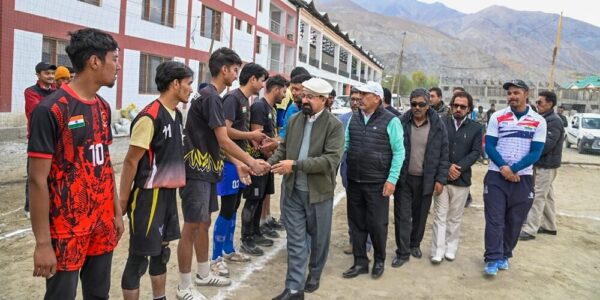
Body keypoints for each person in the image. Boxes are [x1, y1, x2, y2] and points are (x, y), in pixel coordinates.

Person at [28, 28, 123, 300]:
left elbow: (103, 164)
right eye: (114, 59)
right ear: (94, 61)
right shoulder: (51, 110)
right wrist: (43, 243)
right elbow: (37, 180)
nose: (117, 66)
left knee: (98, 294)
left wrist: (116, 212)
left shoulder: (103, 107)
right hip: (67, 229)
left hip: (102, 224)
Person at [177, 48, 270, 299]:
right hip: (196, 170)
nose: (236, 74)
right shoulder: (211, 97)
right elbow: (225, 139)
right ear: (224, 69)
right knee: (192, 227)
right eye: (235, 70)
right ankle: (184, 286)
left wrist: (238, 163)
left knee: (204, 223)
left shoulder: (213, 96)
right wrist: (250, 161)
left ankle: (204, 272)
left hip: (209, 170)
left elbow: (218, 143)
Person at [120, 61, 193, 300]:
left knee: (162, 253)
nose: (190, 89)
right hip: (147, 197)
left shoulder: (177, 114)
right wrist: (122, 201)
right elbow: (131, 162)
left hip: (167, 195)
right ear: (175, 84)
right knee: (138, 258)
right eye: (188, 84)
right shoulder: (149, 117)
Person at [269, 78, 344, 299]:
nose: (305, 100)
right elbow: (283, 150)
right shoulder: (294, 120)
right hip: (292, 192)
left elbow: (329, 161)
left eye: (311, 97)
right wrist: (267, 164)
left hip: (319, 194)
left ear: (323, 99)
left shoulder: (334, 126)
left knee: (319, 239)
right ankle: (294, 288)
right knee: (295, 240)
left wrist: (295, 165)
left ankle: (315, 273)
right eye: (304, 95)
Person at [483, 79, 546, 276]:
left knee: (515, 220)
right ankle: (492, 258)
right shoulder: (498, 117)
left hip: (523, 178)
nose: (512, 96)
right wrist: (503, 168)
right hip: (496, 176)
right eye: (509, 93)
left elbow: (536, 152)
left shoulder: (538, 121)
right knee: (494, 220)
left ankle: (504, 255)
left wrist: (514, 169)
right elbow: (490, 146)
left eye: (516, 93)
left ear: (526, 94)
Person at [343, 81, 405, 279]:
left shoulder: (392, 121)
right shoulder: (354, 118)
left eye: (365, 94)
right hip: (354, 180)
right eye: (359, 94)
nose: (360, 97)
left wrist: (392, 180)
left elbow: (399, 152)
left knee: (377, 225)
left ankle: (379, 260)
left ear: (377, 98)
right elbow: (345, 145)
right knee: (356, 223)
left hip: (377, 183)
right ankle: (360, 261)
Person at [213, 63, 268, 263]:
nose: (263, 85)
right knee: (227, 207)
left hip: (239, 162)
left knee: (234, 205)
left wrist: (254, 139)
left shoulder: (244, 100)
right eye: (262, 80)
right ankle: (216, 255)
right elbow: (224, 131)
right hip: (230, 162)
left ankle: (229, 249)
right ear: (253, 79)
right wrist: (250, 134)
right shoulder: (233, 99)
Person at [392, 88, 448, 268]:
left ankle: (414, 244)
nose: (417, 107)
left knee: (420, 215)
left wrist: (440, 179)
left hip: (426, 179)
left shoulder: (438, 124)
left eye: (421, 104)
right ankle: (402, 252)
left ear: (428, 104)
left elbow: (443, 153)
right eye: (413, 104)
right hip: (404, 178)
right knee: (402, 216)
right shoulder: (401, 122)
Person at [430, 91, 482, 264]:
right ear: (451, 106)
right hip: (442, 178)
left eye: (462, 106)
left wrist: (459, 167)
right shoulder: (440, 123)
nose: (458, 109)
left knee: (455, 217)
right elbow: (435, 147)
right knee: (439, 215)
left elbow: (476, 152)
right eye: (455, 105)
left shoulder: (476, 128)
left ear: (469, 109)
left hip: (461, 179)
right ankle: (437, 250)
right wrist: (447, 167)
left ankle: (451, 248)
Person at [241, 75, 289, 255]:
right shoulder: (260, 106)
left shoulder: (271, 108)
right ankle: (246, 238)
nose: (285, 95)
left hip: (266, 162)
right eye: (284, 91)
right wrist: (268, 160)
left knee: (260, 198)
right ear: (276, 89)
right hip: (258, 162)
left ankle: (255, 232)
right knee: (252, 200)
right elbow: (256, 139)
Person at [519, 91, 564, 240]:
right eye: (536, 102)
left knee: (537, 197)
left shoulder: (554, 121)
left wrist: (529, 153)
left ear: (550, 104)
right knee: (547, 196)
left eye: (540, 102)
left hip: (546, 165)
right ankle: (550, 226)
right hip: (543, 164)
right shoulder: (544, 119)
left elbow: (547, 145)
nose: (537, 105)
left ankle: (530, 229)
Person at [339, 88, 373, 256]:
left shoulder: (371, 120)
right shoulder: (343, 119)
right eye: (352, 99)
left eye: (358, 99)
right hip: (348, 170)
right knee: (353, 209)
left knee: (367, 209)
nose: (355, 102)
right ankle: (353, 241)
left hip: (367, 173)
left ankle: (366, 244)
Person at [24, 61, 57, 217]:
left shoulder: (56, 91)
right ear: (38, 75)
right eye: (47, 73)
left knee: (52, 171)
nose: (50, 76)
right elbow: (37, 110)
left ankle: (50, 202)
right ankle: (30, 206)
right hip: (38, 136)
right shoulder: (30, 92)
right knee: (35, 173)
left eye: (52, 74)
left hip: (55, 137)